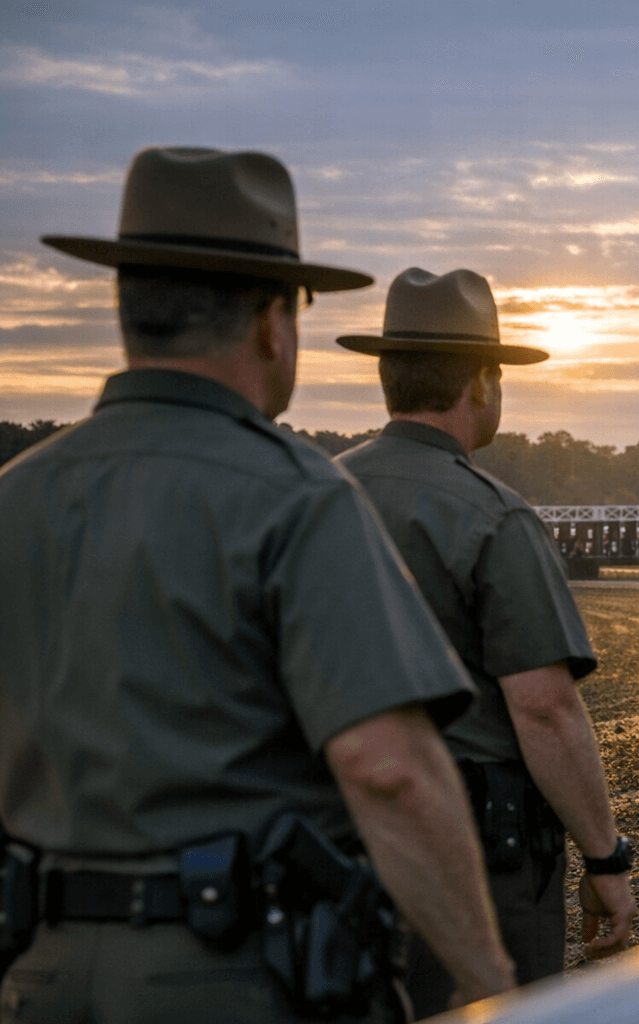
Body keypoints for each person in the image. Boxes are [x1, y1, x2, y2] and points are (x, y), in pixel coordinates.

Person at [0, 148, 513, 1021]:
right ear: (275, 321)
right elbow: (388, 769)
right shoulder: (295, 494)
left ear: (128, 308)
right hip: (231, 976)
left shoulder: (18, 495)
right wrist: (488, 982)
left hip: (37, 973)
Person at [335, 268, 636, 1012]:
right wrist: (605, 856)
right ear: (483, 382)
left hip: (335, 834)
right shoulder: (493, 517)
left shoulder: (315, 495)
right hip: (477, 851)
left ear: (387, 376)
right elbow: (544, 710)